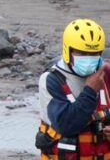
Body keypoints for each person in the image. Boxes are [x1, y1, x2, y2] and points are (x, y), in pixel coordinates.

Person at [36, 19, 109, 159]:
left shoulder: (106, 76)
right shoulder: (51, 80)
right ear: (67, 51)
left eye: (94, 54)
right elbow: (66, 126)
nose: (88, 58)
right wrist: (90, 91)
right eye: (81, 53)